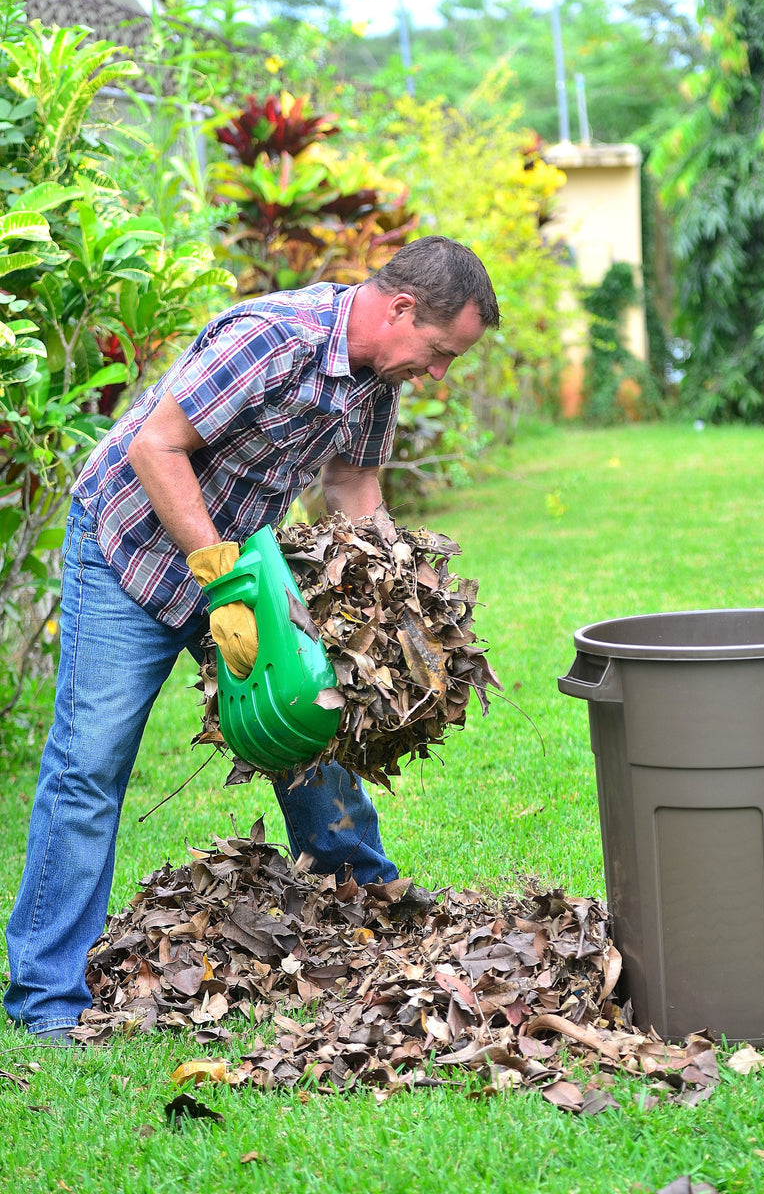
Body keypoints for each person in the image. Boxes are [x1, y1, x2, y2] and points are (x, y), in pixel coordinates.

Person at [3, 235, 500, 1041]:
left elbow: (353, 483)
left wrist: (393, 591)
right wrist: (222, 581)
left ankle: (364, 904)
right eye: (439, 352)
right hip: (130, 545)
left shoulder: (376, 377)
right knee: (89, 764)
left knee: (312, 714)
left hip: (238, 561)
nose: (437, 372)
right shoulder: (275, 337)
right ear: (402, 308)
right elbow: (154, 446)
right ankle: (46, 998)